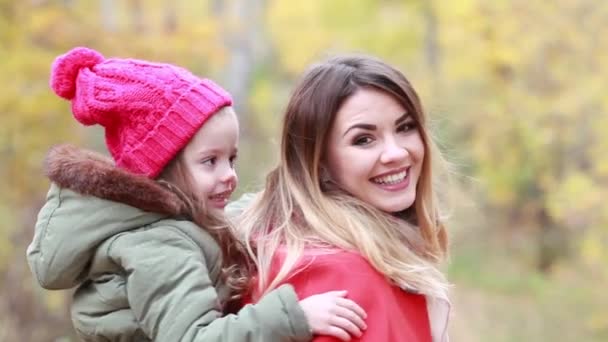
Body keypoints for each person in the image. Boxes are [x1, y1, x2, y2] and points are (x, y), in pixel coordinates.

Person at [26, 47, 367, 342]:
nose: (229, 175)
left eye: (231, 158)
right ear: (162, 169)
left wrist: (301, 189)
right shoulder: (160, 246)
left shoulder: (171, 220)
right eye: (210, 161)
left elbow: (236, 217)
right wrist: (294, 316)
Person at [237, 55, 451, 342]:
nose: (397, 152)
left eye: (405, 127)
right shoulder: (342, 276)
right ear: (319, 162)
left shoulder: (289, 246)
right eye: (363, 139)